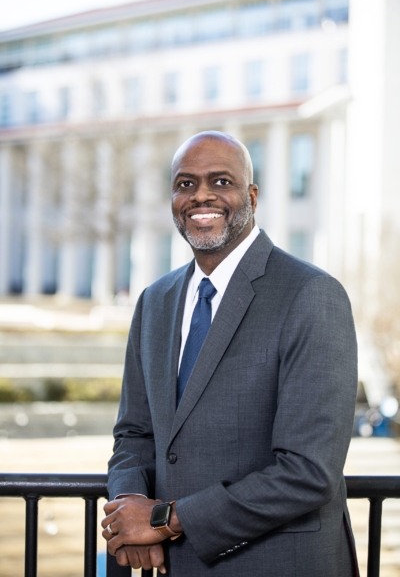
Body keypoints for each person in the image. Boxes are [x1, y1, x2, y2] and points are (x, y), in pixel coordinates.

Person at [102, 131, 359, 576]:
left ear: (252, 196)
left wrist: (164, 520)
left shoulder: (311, 294)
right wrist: (130, 506)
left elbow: (309, 471)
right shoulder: (155, 302)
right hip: (176, 566)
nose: (201, 195)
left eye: (221, 181)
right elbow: (134, 433)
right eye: (185, 184)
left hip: (278, 565)